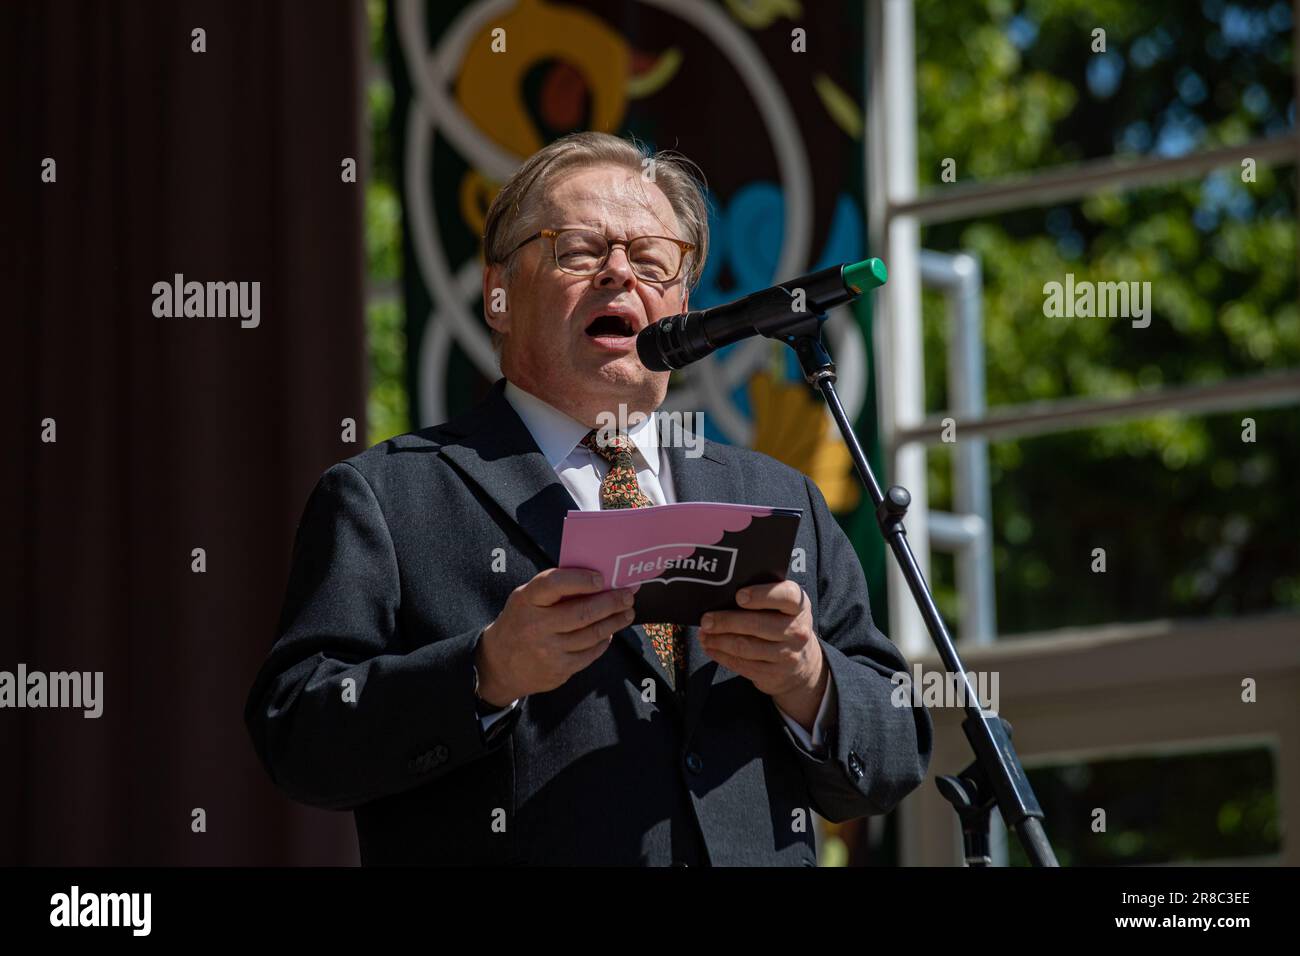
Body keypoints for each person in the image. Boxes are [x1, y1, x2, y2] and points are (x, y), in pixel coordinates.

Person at [244, 131, 932, 866]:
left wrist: (809, 681)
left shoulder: (774, 493)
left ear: (681, 303)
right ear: (498, 295)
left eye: (650, 260)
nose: (618, 276)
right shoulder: (386, 498)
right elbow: (297, 733)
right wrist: (484, 672)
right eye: (578, 250)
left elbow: (894, 754)